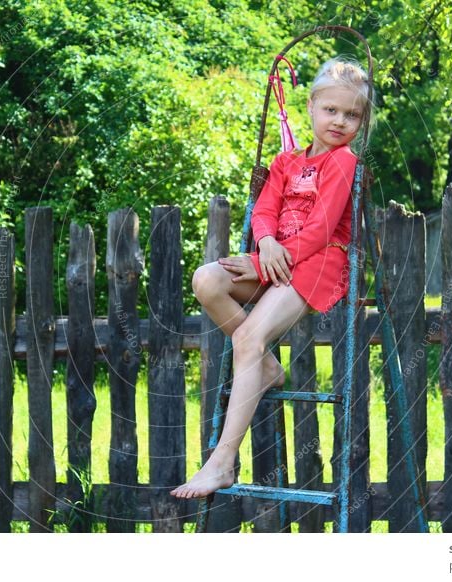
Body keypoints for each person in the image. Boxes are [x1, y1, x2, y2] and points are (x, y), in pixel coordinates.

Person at [170, 58, 374, 499]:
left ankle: (222, 461)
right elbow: (264, 211)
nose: (340, 121)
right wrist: (263, 244)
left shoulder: (343, 163)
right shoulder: (285, 162)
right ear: (313, 106)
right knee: (207, 279)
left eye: (352, 114)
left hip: (319, 263)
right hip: (277, 260)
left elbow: (320, 230)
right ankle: (264, 367)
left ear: (362, 120)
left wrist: (264, 267)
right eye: (331, 110)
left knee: (246, 339)